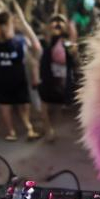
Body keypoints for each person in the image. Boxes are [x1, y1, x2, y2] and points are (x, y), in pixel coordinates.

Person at [0, 3, 41, 141]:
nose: (4, 28)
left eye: (6, 24)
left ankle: (24, 128)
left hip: (16, 79)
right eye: (1, 25)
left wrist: (24, 24)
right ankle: (14, 130)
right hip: (2, 80)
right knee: (8, 106)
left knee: (20, 104)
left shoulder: (20, 41)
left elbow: (36, 48)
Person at [37, 13, 78, 142]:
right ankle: (48, 130)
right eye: (55, 21)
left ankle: (50, 129)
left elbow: (75, 58)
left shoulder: (68, 43)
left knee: (56, 108)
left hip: (62, 82)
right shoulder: (48, 40)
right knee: (44, 107)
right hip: (48, 80)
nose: (57, 24)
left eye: (61, 22)